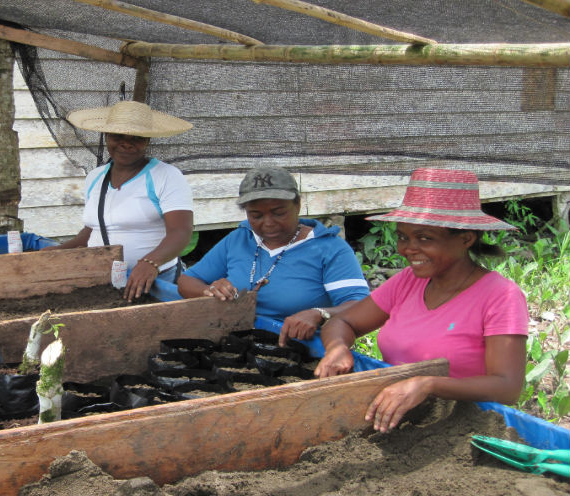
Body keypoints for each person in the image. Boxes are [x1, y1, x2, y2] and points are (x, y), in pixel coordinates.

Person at [315, 168, 528, 433]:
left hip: (461, 427)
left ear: (466, 239)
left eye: (424, 238)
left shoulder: (500, 296)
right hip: (399, 417)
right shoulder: (409, 281)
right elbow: (344, 321)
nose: (407, 249)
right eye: (403, 237)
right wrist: (337, 348)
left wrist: (428, 385)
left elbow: (507, 386)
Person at [177, 166, 370, 343]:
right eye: (256, 216)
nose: (268, 223)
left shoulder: (329, 248)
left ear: (298, 205)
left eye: (278, 213)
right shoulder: (240, 239)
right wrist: (210, 290)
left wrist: (321, 313)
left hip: (302, 346)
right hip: (236, 340)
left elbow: (361, 305)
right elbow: (187, 281)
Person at [42, 101, 194, 302]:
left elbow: (180, 232)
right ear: (106, 136)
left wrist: (151, 263)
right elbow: (92, 229)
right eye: (118, 136)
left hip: (154, 279)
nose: (126, 143)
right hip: (103, 278)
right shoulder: (95, 178)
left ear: (147, 141)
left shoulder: (166, 176)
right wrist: (59, 251)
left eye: (137, 138)